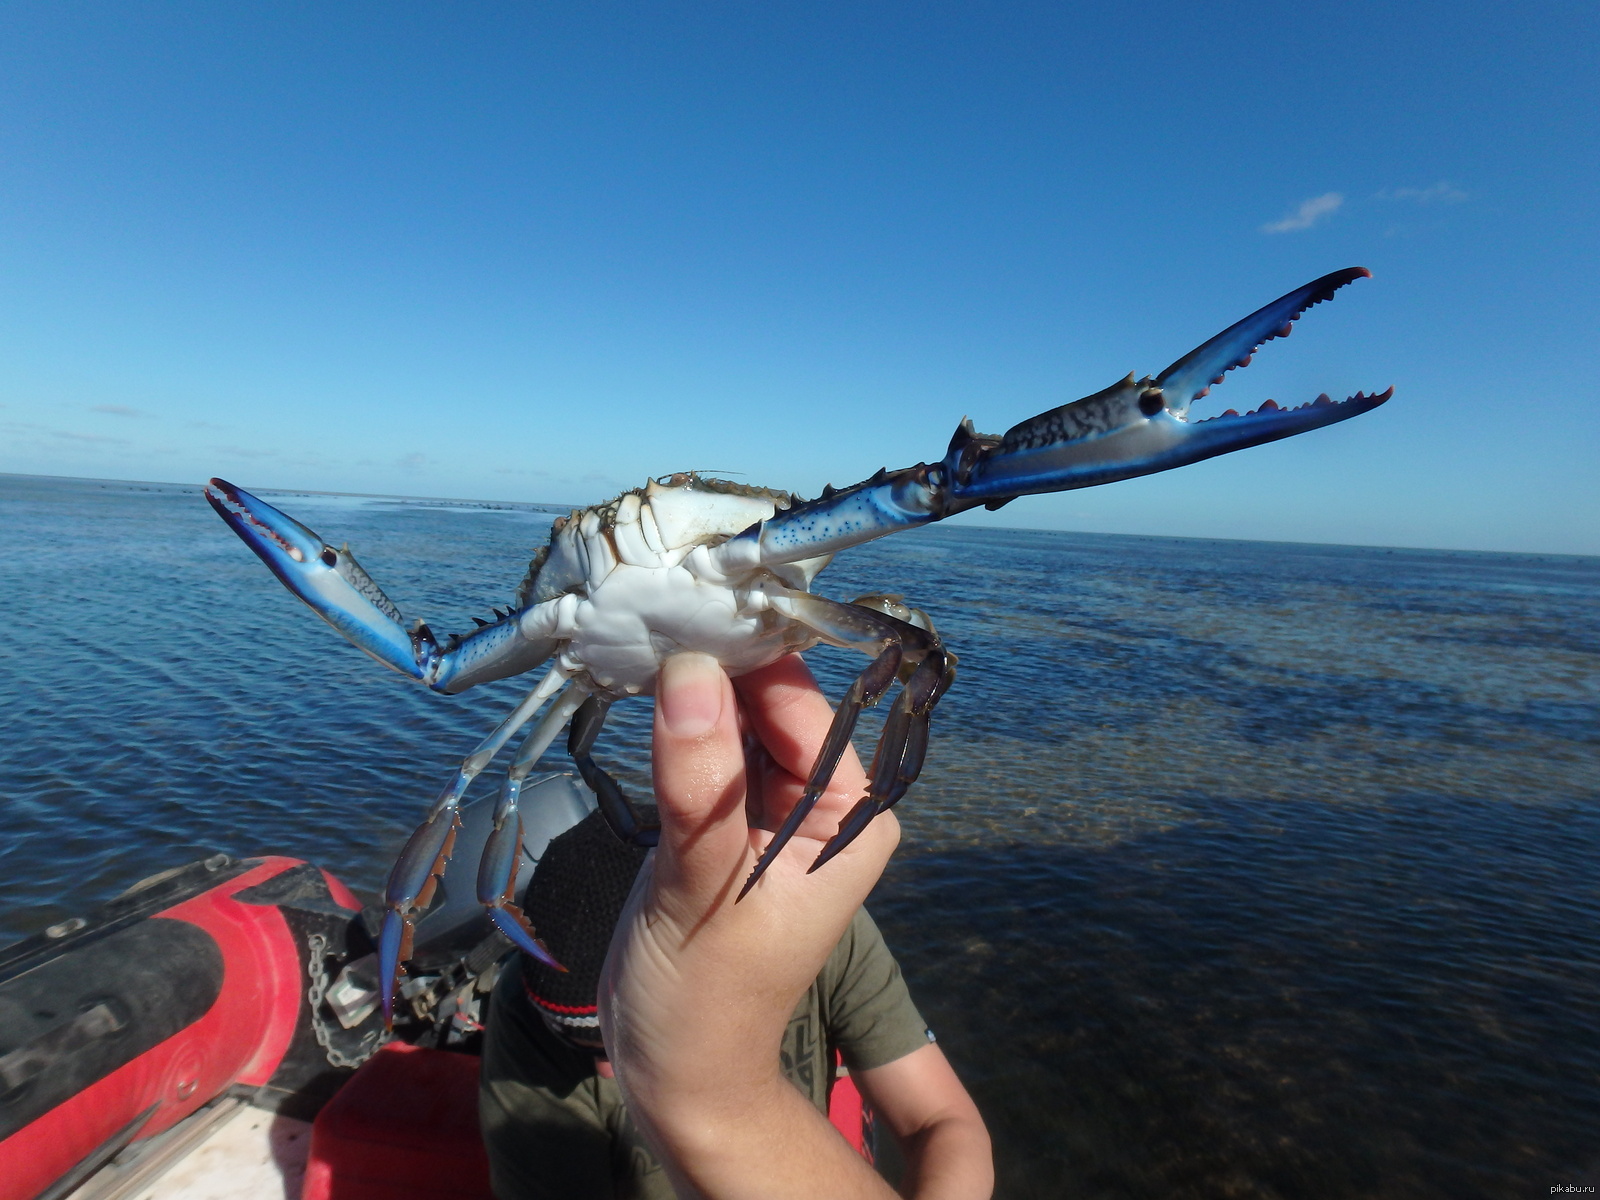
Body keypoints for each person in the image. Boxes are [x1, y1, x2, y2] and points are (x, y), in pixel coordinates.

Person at [480, 652, 993, 1200]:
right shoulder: (520, 1008)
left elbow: (944, 1123)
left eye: (612, 1041)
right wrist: (711, 1102)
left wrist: (711, 1103)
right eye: (588, 1048)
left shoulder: (822, 936)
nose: (613, 1074)